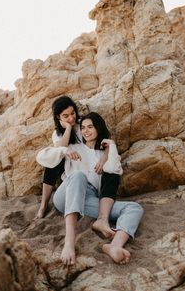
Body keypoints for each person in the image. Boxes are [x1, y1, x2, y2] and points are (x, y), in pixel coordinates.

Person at [36, 112, 143, 265]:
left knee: (134, 208)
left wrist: (110, 147)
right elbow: (42, 156)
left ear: (98, 128)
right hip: (66, 196)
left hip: (89, 198)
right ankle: (69, 241)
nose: (86, 131)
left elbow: (114, 170)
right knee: (79, 176)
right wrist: (64, 150)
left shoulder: (104, 153)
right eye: (83, 128)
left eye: (90, 127)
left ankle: (114, 246)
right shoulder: (74, 146)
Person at [36, 96, 120, 239]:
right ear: (58, 117)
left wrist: (105, 157)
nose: (71, 117)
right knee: (54, 161)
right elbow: (60, 149)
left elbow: (106, 141)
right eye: (66, 116)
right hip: (73, 168)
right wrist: (68, 128)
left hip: (90, 168)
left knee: (110, 173)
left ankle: (102, 213)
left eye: (72, 113)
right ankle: (43, 205)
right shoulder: (58, 133)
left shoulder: (85, 124)